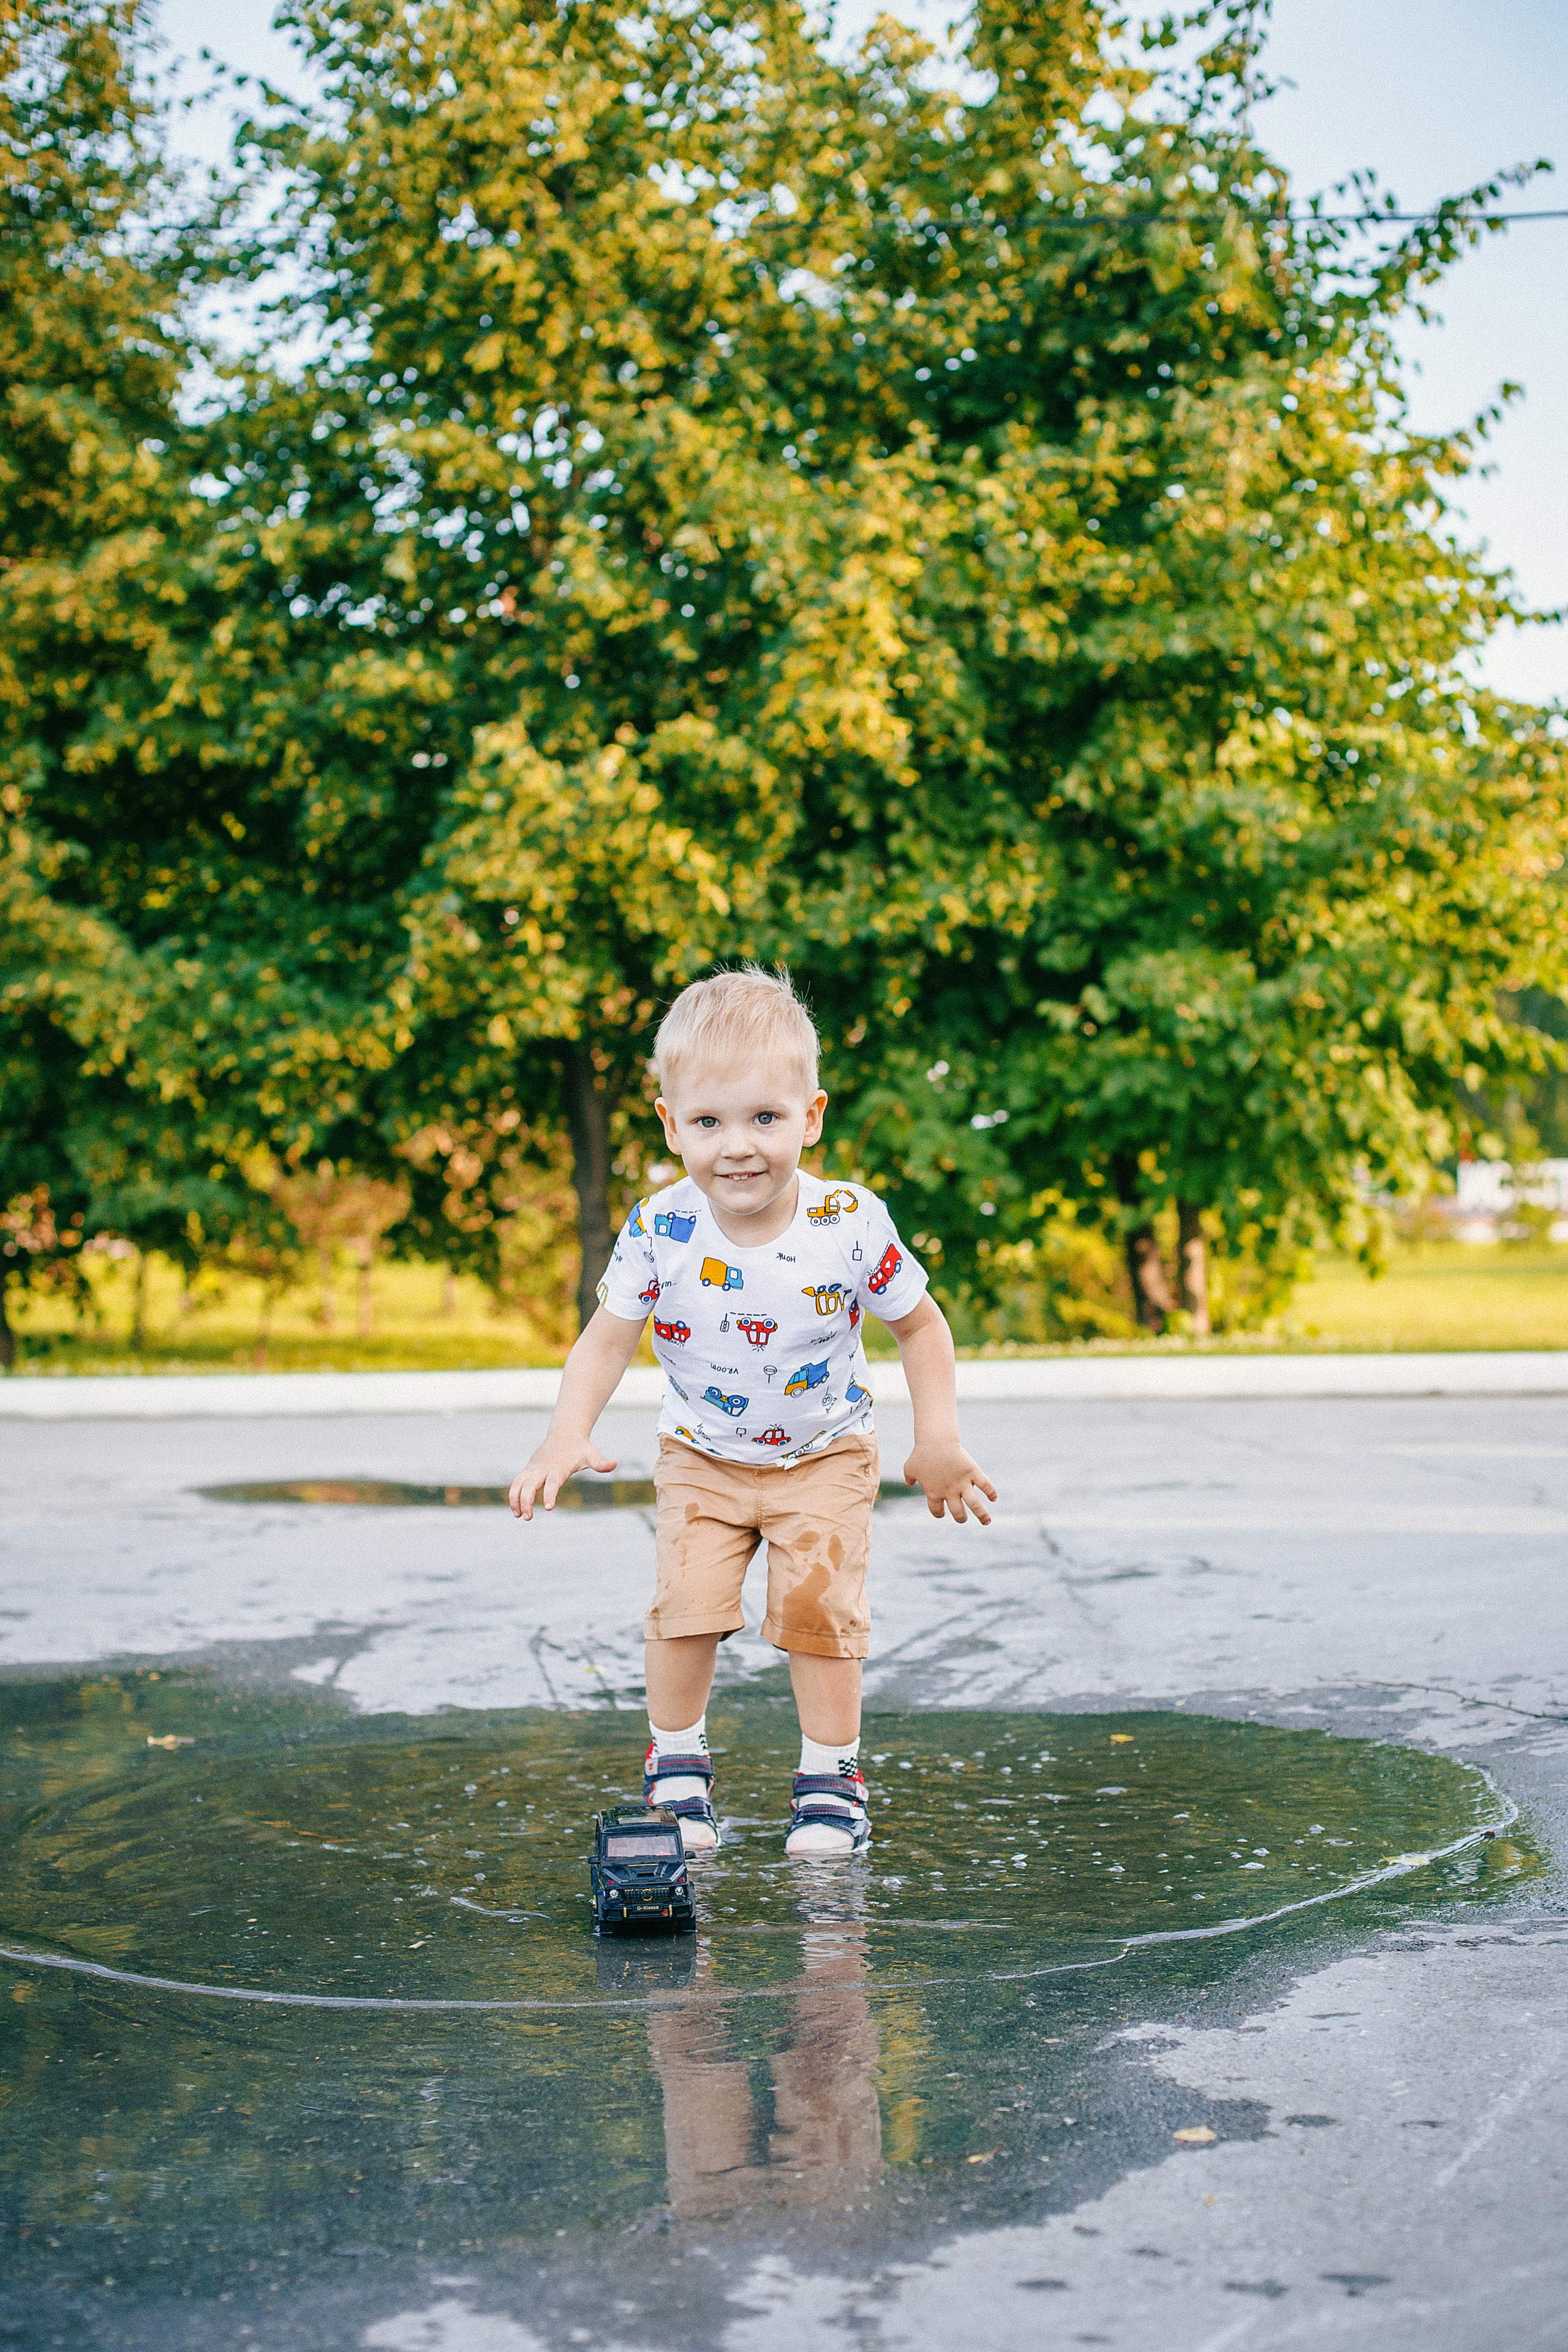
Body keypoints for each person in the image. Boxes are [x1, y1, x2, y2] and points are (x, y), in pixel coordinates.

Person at [508, 966, 996, 1858]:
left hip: (826, 1453)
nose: (738, 1147)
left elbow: (921, 1327)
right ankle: (677, 1766)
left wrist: (939, 1439)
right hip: (701, 1455)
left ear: (811, 1117)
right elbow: (606, 1339)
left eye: (765, 1118)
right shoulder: (661, 1228)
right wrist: (565, 1433)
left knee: (820, 1613)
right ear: (671, 1125)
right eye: (709, 1122)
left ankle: (831, 1780)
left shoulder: (850, 1222)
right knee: (685, 1608)